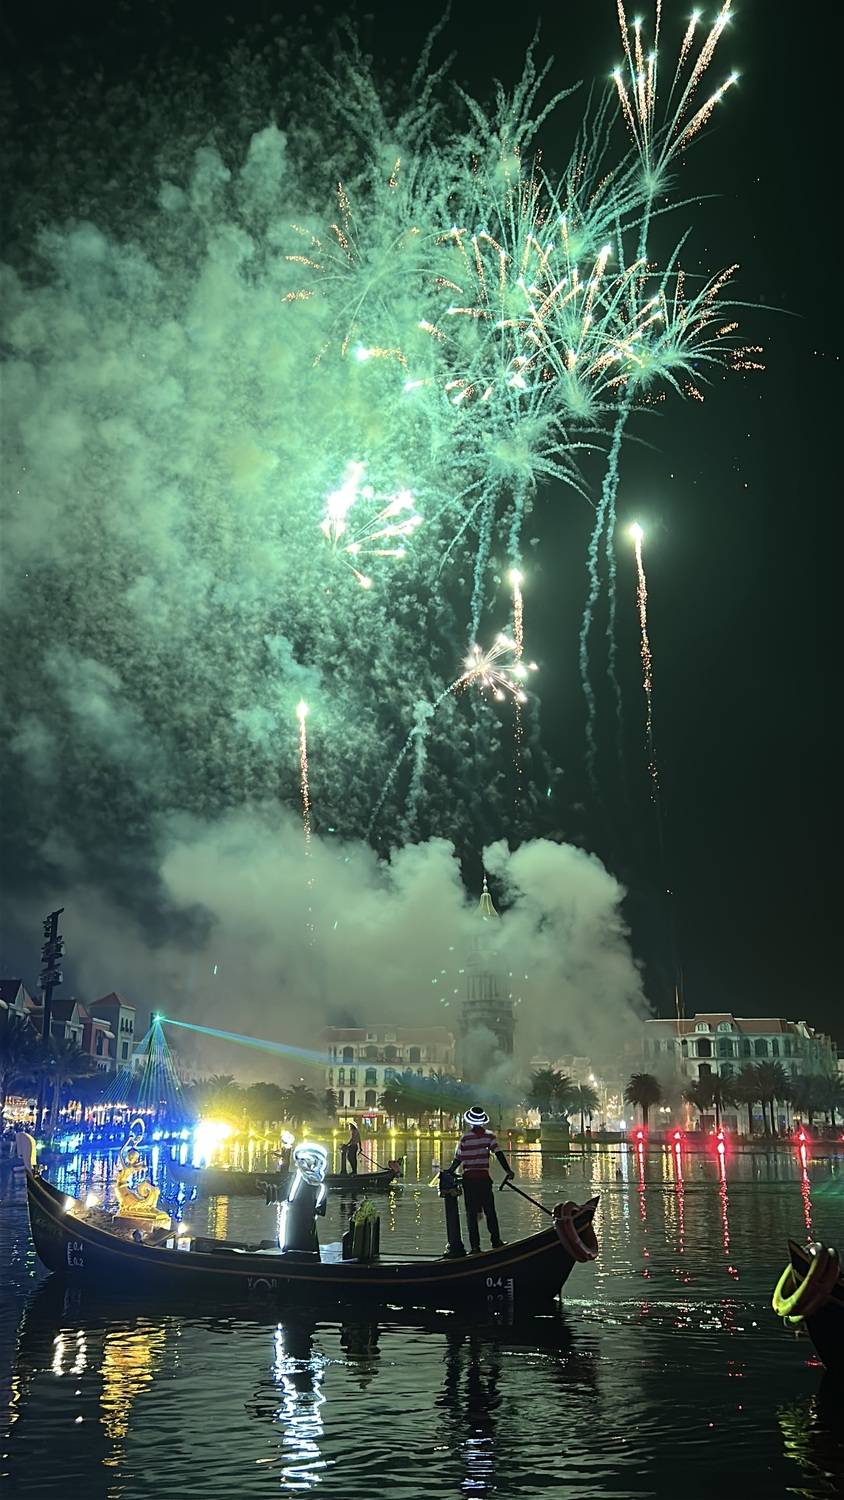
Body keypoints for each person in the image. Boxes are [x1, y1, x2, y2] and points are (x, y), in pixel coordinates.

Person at [447, 1106, 514, 1254]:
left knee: (471, 1215)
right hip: (484, 1180)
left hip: (469, 1181)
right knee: (490, 1212)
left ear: (470, 1122)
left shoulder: (465, 1138)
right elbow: (499, 1154)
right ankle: (496, 1242)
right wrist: (508, 1171)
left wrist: (449, 1172)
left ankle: (475, 1247)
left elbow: (458, 1160)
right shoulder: (489, 1137)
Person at [279, 1143, 328, 1258]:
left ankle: (298, 1255)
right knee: (300, 1239)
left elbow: (287, 1196)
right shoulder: (318, 1185)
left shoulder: (318, 1185)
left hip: (299, 1218)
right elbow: (320, 1209)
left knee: (299, 1241)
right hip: (299, 1218)